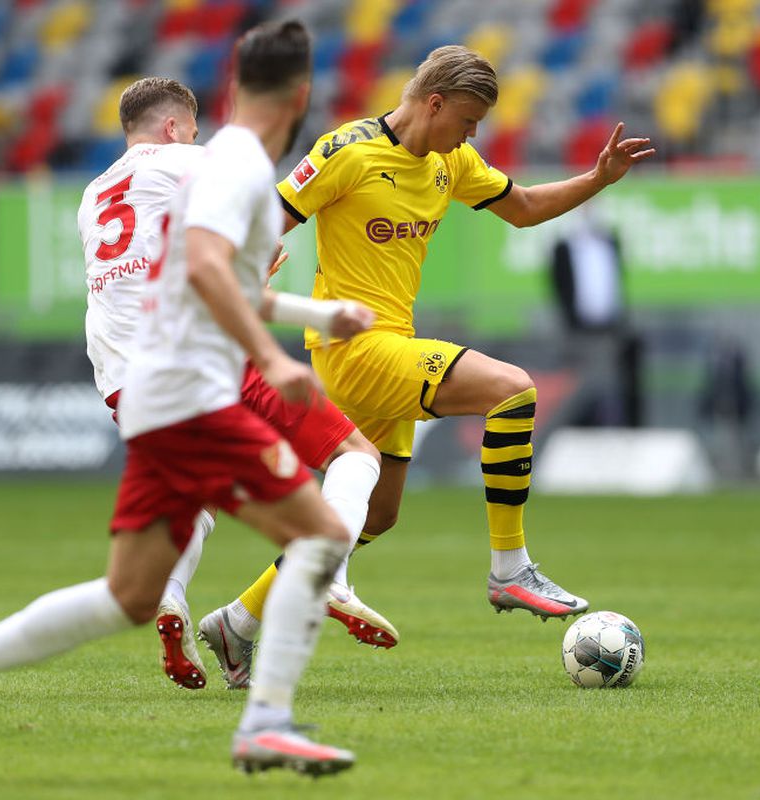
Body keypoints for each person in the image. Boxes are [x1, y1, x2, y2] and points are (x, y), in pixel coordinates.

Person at [0, 20, 369, 776]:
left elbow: (198, 274)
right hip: (192, 385)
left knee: (129, 593)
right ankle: (266, 722)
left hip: (140, 386)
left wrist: (320, 316)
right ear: (300, 94)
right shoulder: (231, 162)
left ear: (235, 87)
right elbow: (209, 272)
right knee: (319, 534)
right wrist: (268, 358)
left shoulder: (105, 188)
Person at [264, 45, 654, 618]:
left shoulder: (452, 163)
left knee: (376, 514)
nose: (472, 135)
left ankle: (242, 620)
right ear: (434, 102)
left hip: (392, 343)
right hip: (350, 346)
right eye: (468, 122)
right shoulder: (346, 151)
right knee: (512, 389)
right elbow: (272, 217)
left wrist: (598, 178)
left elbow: (521, 208)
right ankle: (510, 569)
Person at [77, 76, 395, 693]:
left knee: (191, 499)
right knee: (354, 453)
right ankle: (327, 571)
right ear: (175, 129)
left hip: (122, 378)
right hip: (201, 356)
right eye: (194, 129)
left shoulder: (93, 193)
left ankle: (172, 597)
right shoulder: (194, 161)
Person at [548, 203, 643, 426]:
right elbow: (559, 286)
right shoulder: (564, 247)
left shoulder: (610, 242)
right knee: (580, 387)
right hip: (579, 332)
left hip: (610, 328)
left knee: (613, 383)